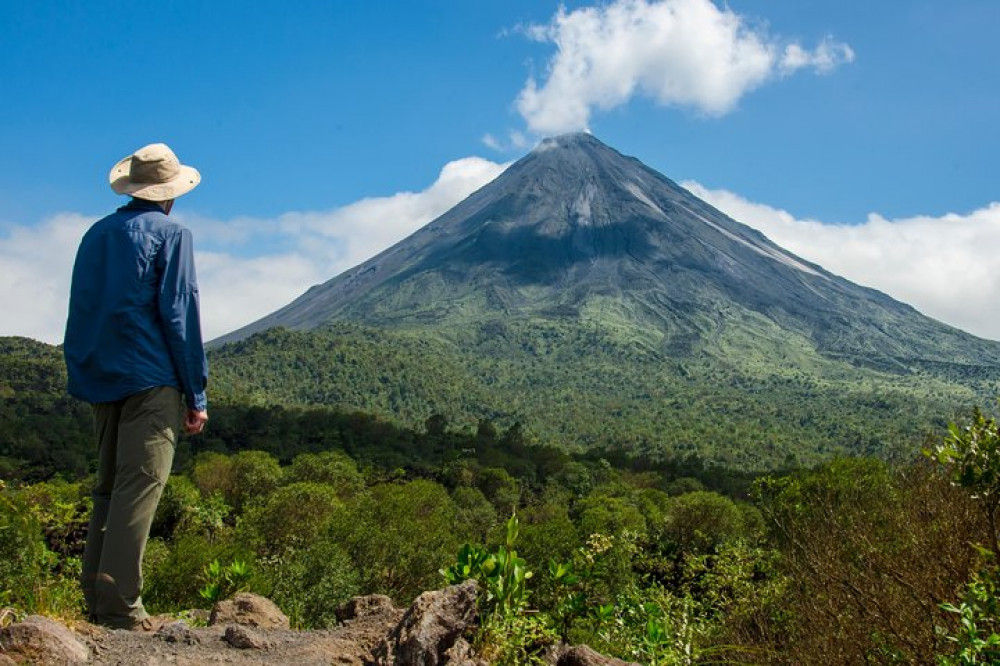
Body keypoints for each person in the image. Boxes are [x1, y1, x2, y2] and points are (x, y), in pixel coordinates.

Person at [64, 143, 209, 630]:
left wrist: (85, 372)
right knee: (139, 488)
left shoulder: (96, 234)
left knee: (107, 489)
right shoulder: (173, 234)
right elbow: (180, 313)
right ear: (170, 195)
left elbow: (82, 308)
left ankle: (97, 599)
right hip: (152, 379)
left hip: (102, 377)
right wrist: (197, 393)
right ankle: (122, 608)